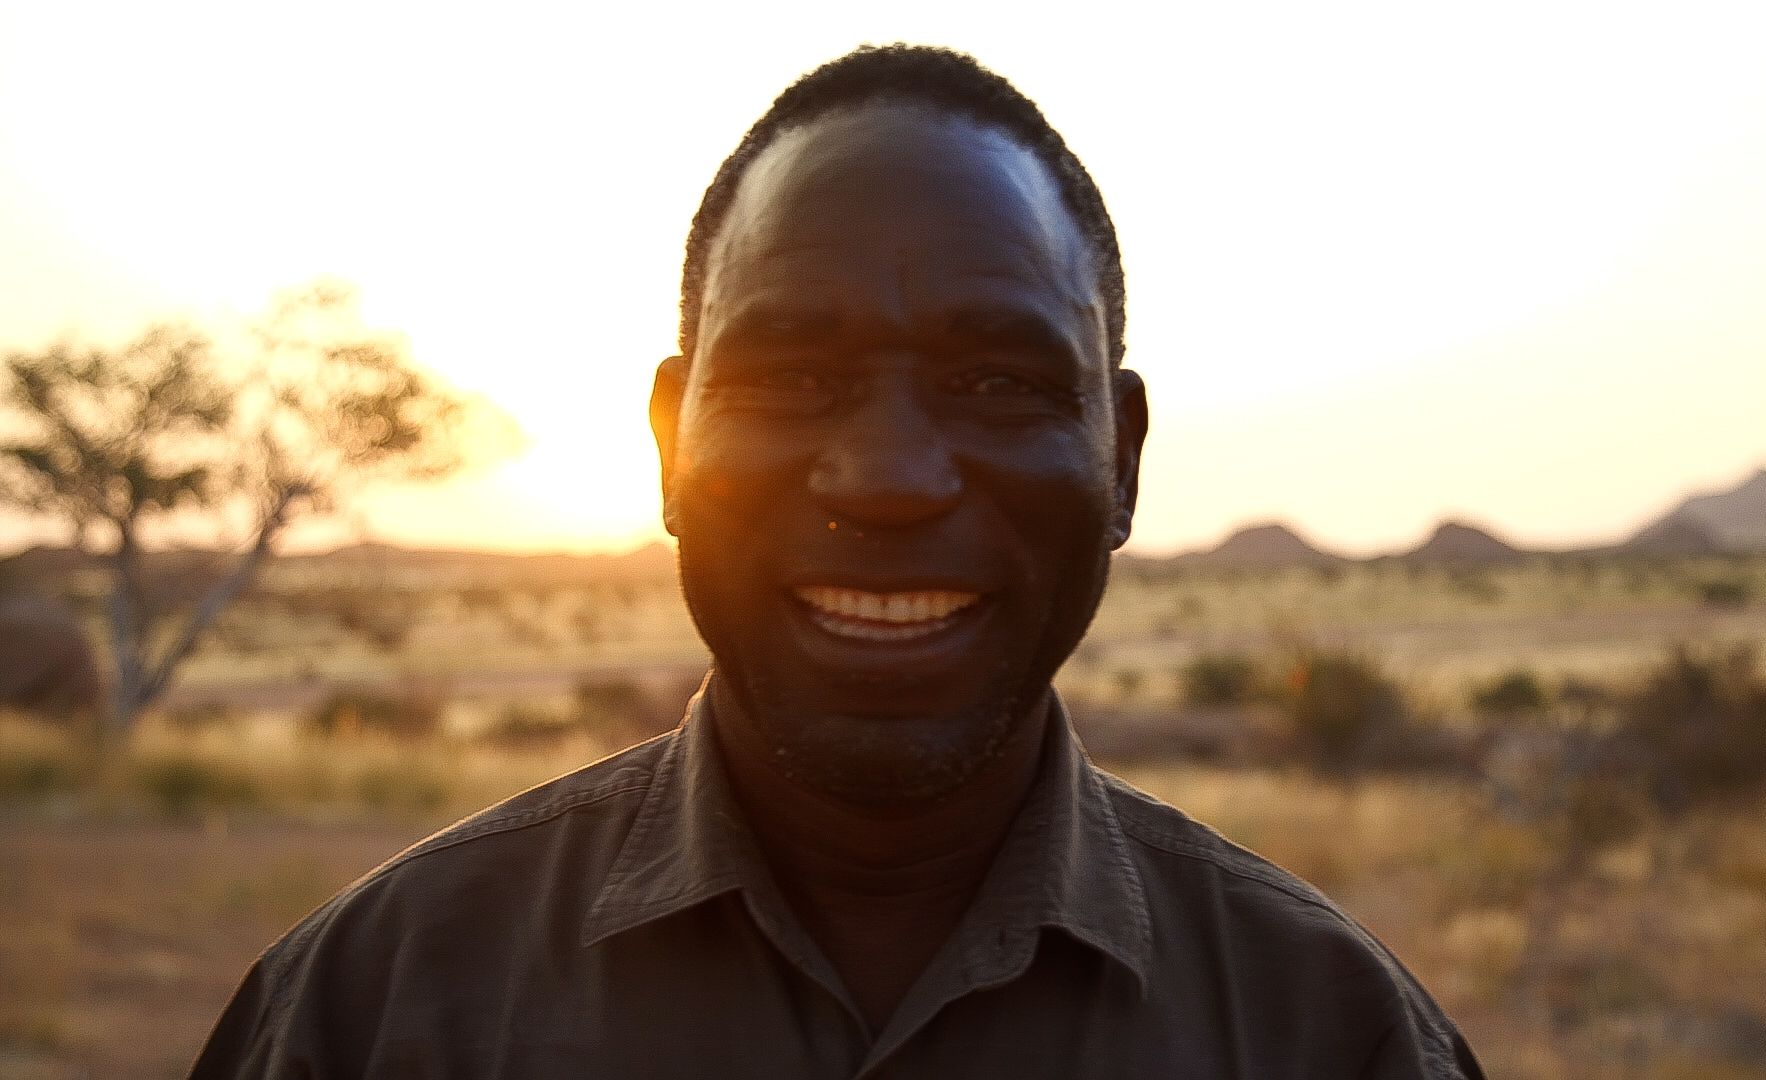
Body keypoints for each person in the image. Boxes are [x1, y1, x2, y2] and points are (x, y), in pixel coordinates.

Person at [192, 45, 1484, 1079]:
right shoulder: (368, 1017)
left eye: (994, 379)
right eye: (793, 377)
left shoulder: (1333, 1037)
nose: (888, 478)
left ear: (1122, 462)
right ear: (668, 446)